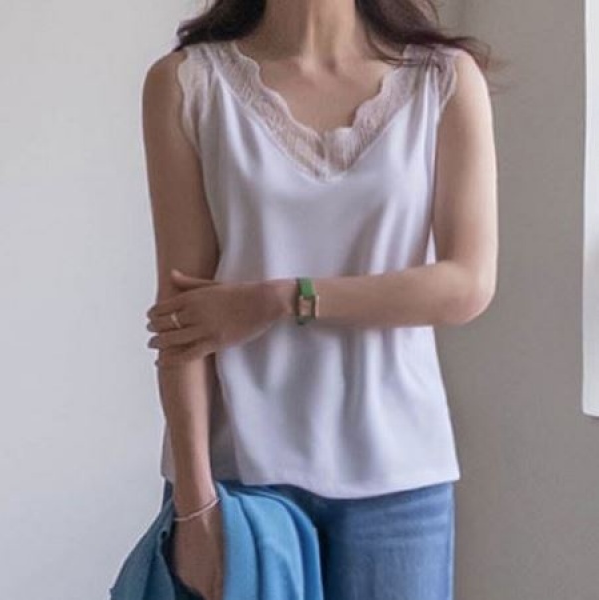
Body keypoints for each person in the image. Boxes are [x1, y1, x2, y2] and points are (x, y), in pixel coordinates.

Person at [141, 0, 499, 598]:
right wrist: (194, 506)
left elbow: (466, 285)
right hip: (237, 480)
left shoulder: (444, 80)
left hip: (400, 485)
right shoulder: (187, 84)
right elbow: (181, 320)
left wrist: (283, 298)